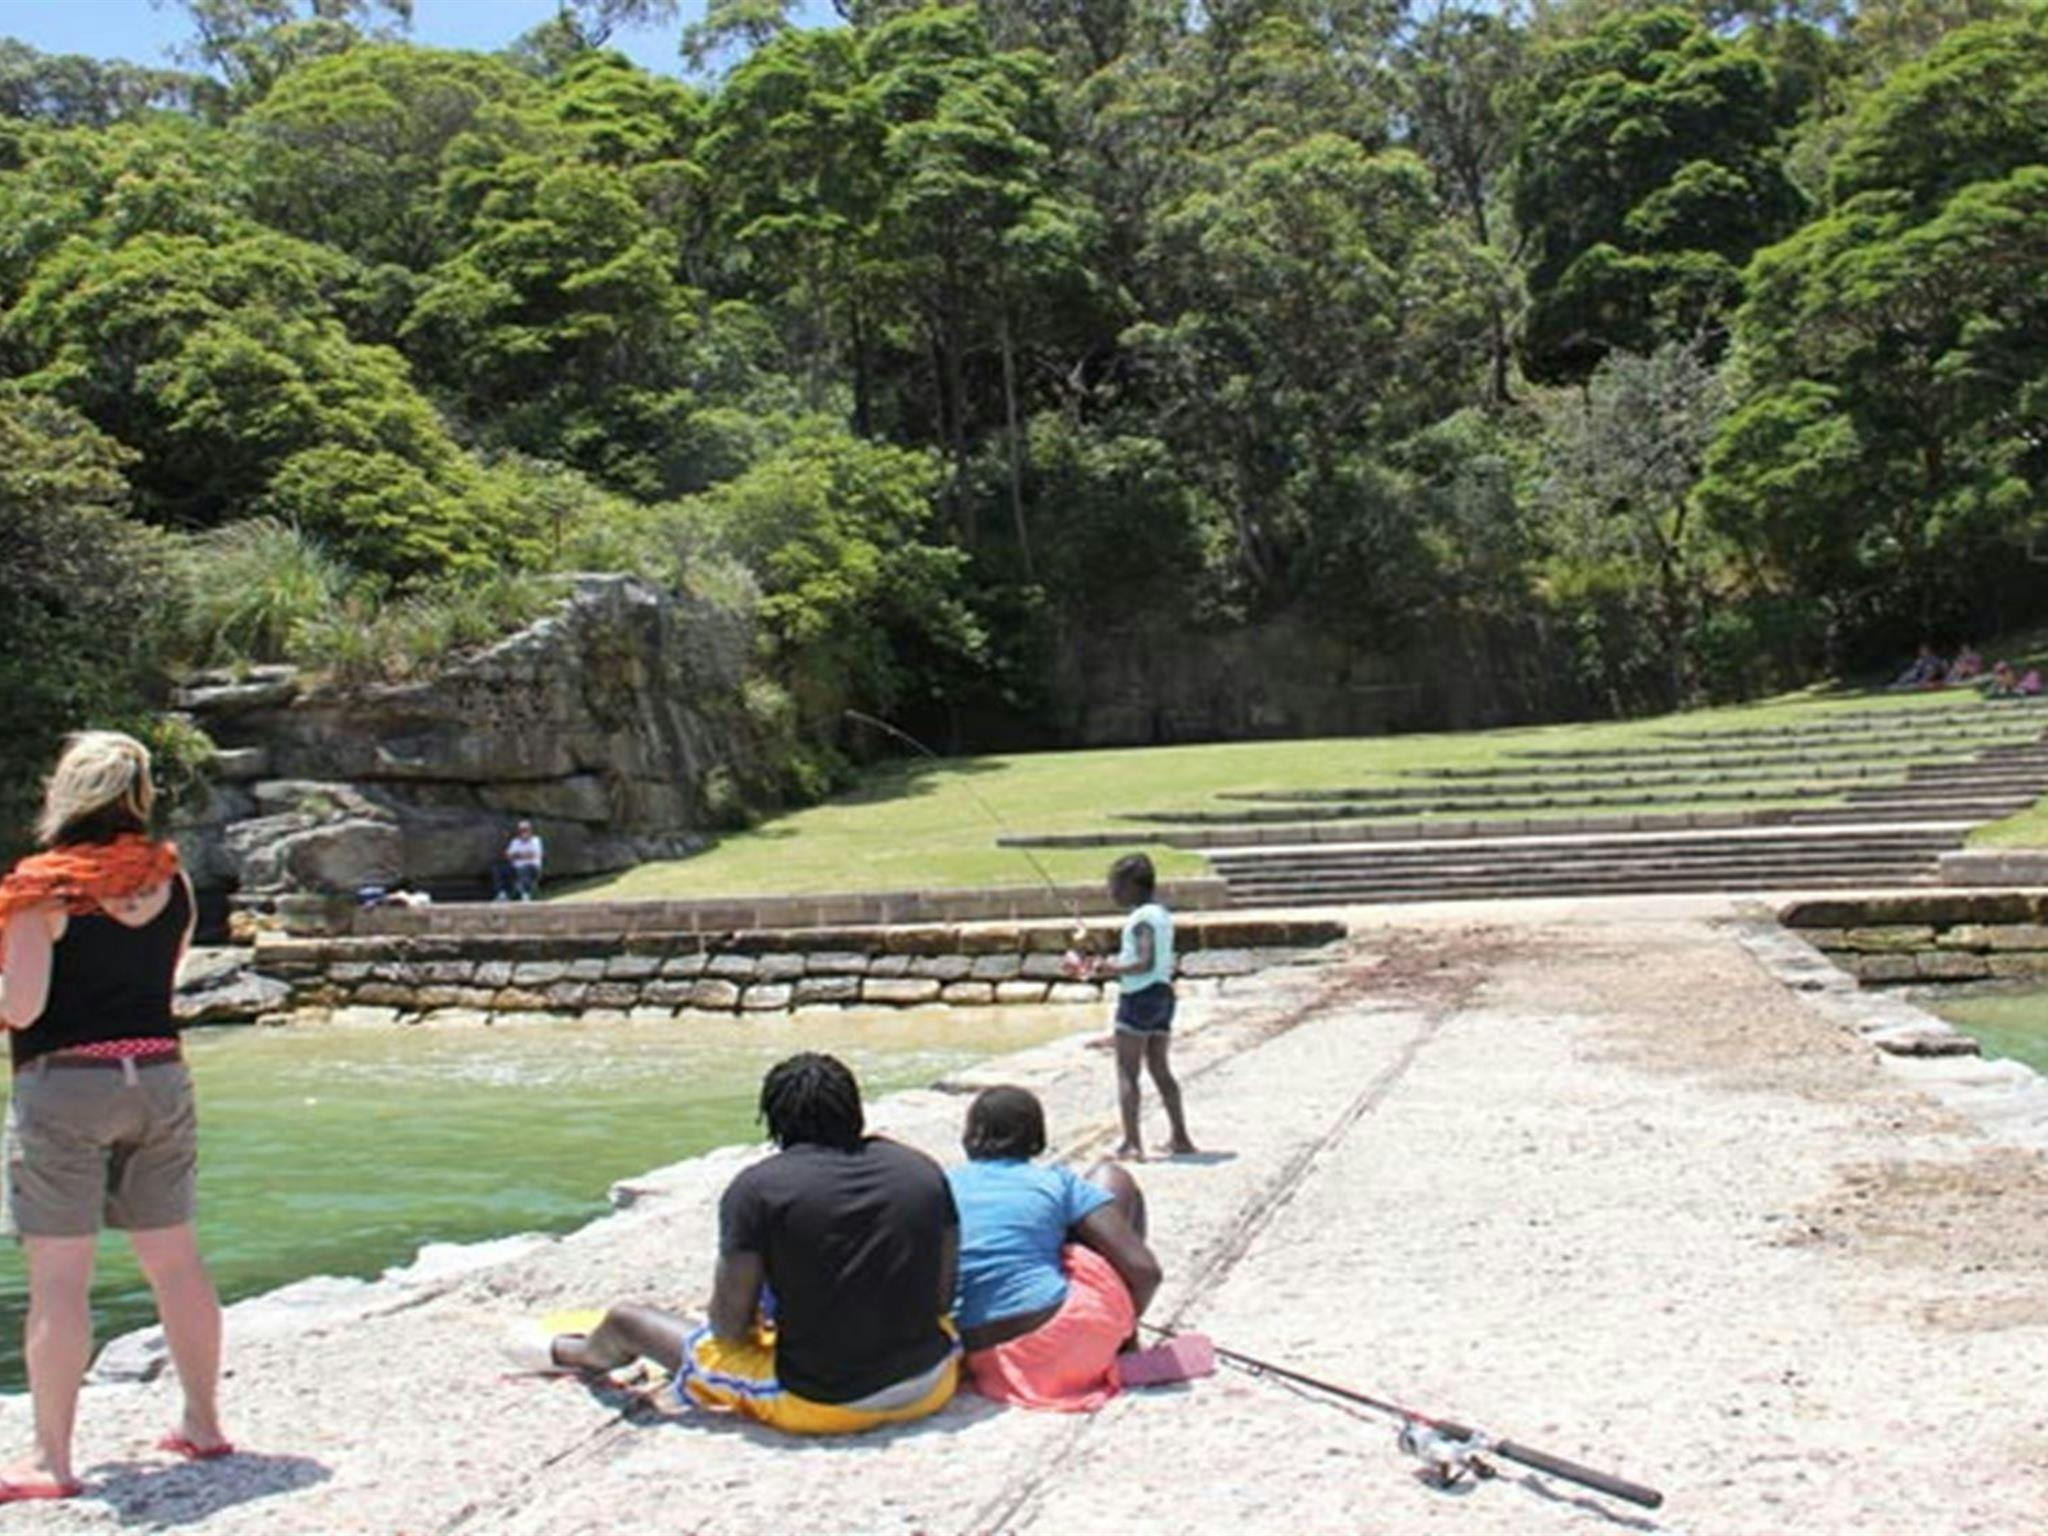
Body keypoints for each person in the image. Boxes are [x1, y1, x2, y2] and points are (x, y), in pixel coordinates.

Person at [0, 732, 231, 1503]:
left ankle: (53, 1463)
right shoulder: (171, 881)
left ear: (64, 793)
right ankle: (202, 1422)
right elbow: (157, 981)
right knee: (175, 1261)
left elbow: (22, 1008)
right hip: (159, 1079)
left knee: (61, 1280)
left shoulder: (44, 888)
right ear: (137, 793)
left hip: (65, 1085)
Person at [506, 1053, 960, 1435]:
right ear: (854, 1110)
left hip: (825, 1403)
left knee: (628, 1320)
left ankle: (573, 1352)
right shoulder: (919, 1169)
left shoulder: (758, 1189)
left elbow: (726, 1329)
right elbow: (941, 1296)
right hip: (934, 1378)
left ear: (776, 1120)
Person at [948, 1087, 1162, 1412]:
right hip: (1061, 1345)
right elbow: (1146, 1273)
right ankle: (1121, 1344)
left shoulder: (945, 1183)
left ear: (972, 1135)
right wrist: (1122, 1325)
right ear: (1037, 1137)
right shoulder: (1056, 1183)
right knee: (1111, 1177)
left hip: (978, 1355)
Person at [1075, 853, 1195, 1160]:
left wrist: (1109, 968)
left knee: (1128, 1072)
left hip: (1138, 998)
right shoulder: (1161, 915)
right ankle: (1180, 1137)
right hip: (1163, 996)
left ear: (1131, 885)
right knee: (1160, 1069)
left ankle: (1132, 1143)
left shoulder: (1142, 919)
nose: (1111, 892)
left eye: (1115, 885)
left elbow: (1144, 962)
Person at [493, 820, 545, 902]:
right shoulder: (515, 842)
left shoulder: (536, 840)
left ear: (530, 830)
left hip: (531, 868)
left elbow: (533, 855)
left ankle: (525, 895)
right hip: (515, 868)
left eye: (526, 829)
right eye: (522, 830)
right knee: (500, 869)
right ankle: (503, 894)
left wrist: (517, 855)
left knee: (524, 870)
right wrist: (522, 855)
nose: (524, 832)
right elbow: (507, 856)